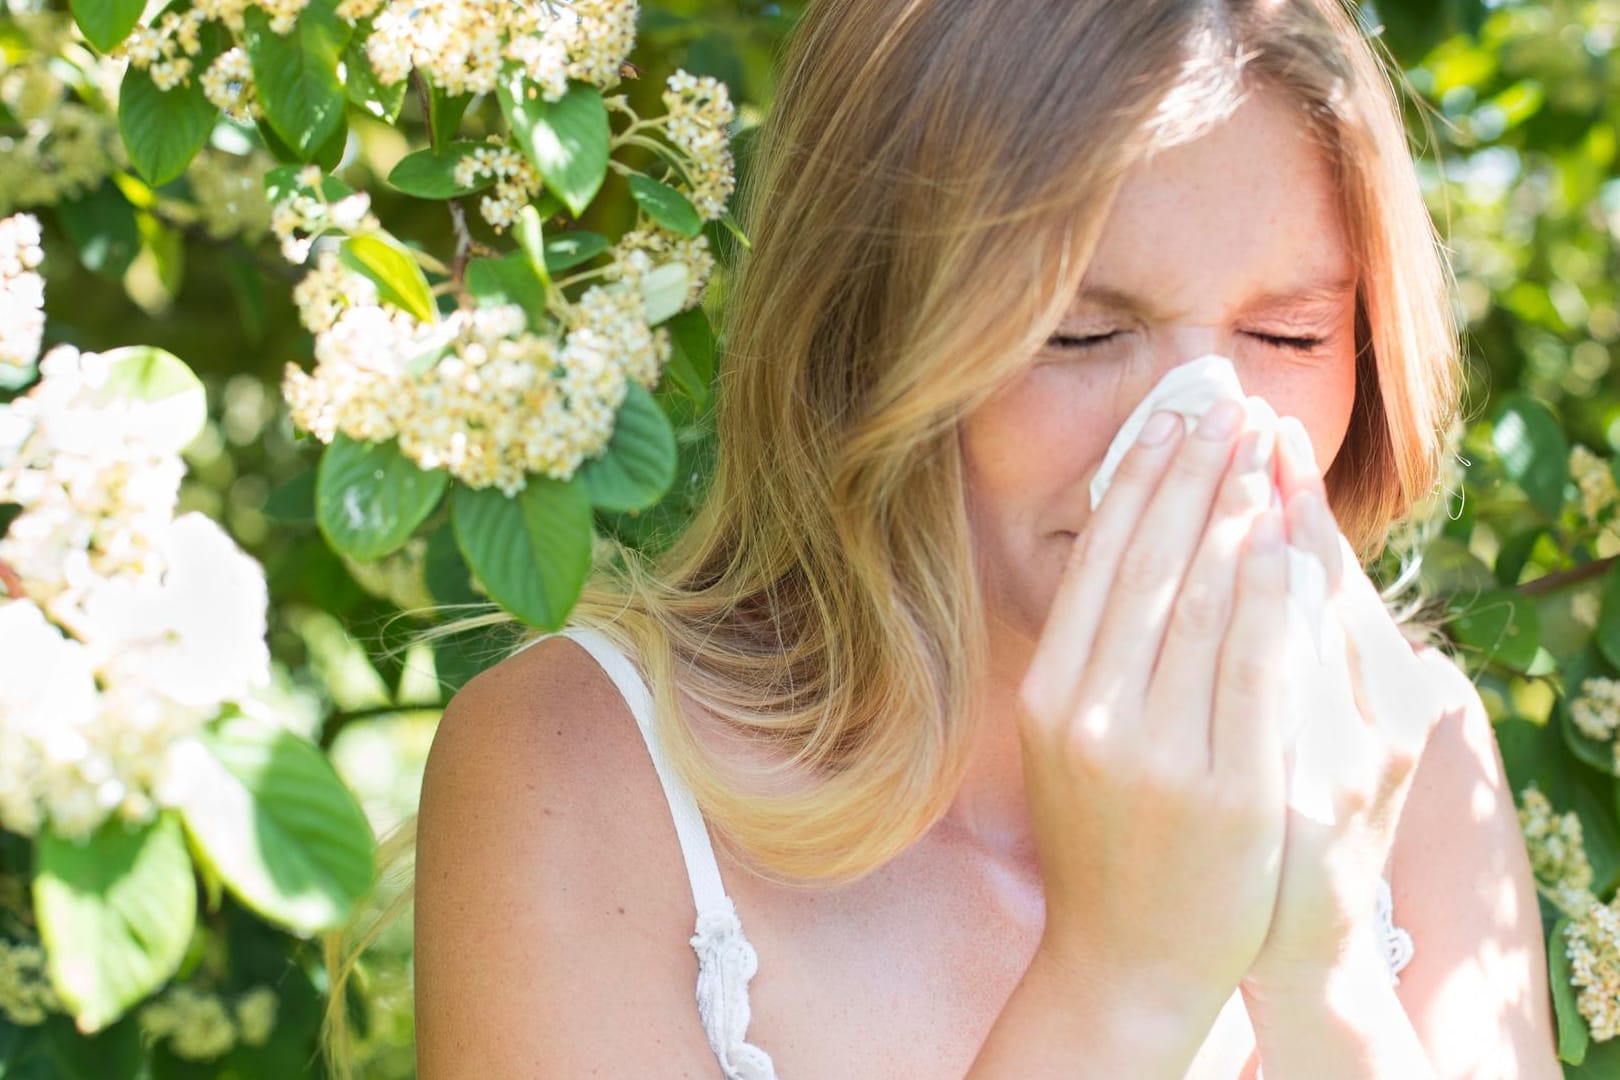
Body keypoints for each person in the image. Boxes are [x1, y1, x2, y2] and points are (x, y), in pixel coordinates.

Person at [412, 0, 1559, 1075]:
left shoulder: (1421, 756)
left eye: (1289, 333)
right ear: (866, 337)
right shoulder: (574, 771)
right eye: (1078, 333)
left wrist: (1324, 980)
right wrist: (1124, 984)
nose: (1206, 427)